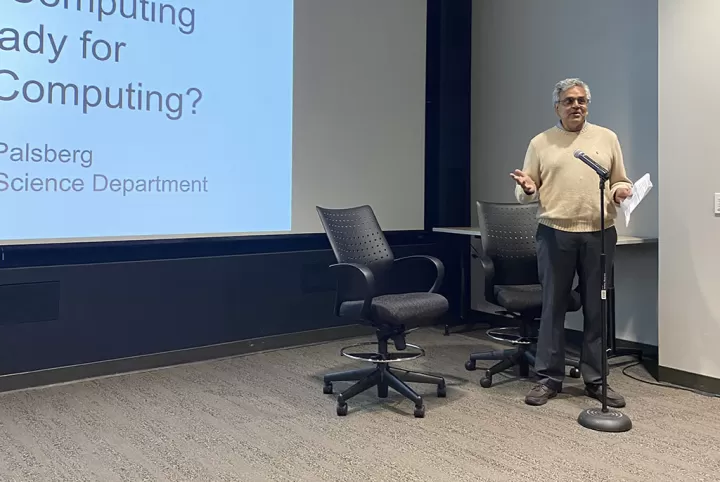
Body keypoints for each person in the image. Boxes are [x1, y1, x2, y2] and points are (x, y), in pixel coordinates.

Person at [510, 78, 633, 407]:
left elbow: (619, 178)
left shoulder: (606, 138)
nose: (576, 106)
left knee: (597, 308)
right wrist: (529, 190)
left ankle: (596, 379)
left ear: (587, 105)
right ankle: (548, 378)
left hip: (600, 232)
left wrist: (620, 190)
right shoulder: (541, 143)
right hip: (555, 233)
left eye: (581, 100)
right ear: (557, 107)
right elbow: (525, 189)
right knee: (553, 306)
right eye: (569, 101)